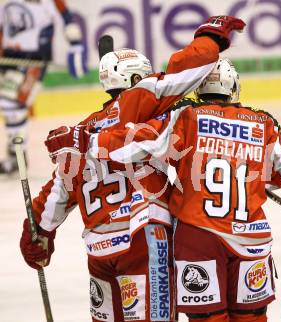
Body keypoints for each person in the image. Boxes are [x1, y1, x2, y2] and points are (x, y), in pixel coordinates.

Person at [56, 58, 281, 322]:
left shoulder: (185, 118)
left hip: (198, 238)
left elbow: (132, 144)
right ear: (234, 88)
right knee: (251, 318)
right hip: (251, 240)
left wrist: (88, 141)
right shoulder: (262, 124)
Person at [20, 15, 245, 322]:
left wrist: (37, 234)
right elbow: (189, 66)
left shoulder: (81, 132)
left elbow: (57, 192)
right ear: (139, 78)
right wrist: (213, 36)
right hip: (143, 238)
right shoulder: (145, 103)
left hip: (100, 249)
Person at [0, 0, 88, 174]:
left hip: (33, 61)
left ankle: (18, 156)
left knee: (13, 106)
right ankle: (15, 154)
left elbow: (67, 20)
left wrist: (75, 45)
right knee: (9, 106)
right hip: (8, 60)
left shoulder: (50, 2)